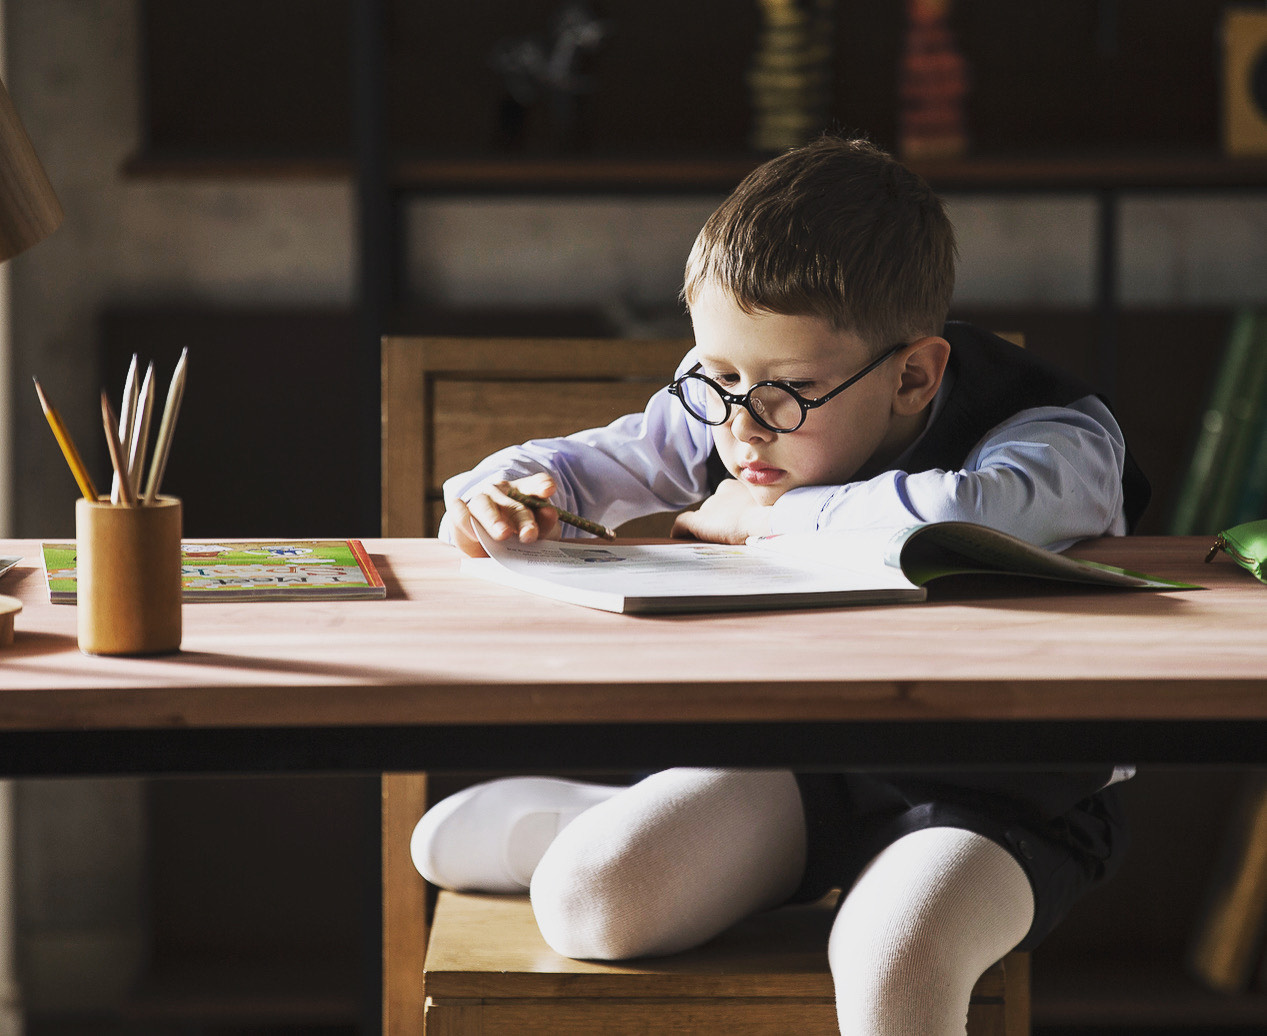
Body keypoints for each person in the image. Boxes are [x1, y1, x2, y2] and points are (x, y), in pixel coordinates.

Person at [415, 135, 1148, 1036]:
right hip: (809, 760)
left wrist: (767, 519)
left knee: (894, 964)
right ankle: (602, 819)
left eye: (788, 387)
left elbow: (977, 513)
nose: (742, 424)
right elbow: (594, 460)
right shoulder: (742, 407)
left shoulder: (1055, 435)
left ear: (913, 375)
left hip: (1010, 792)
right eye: (716, 375)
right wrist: (504, 493)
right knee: (592, 902)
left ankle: (667, 827)